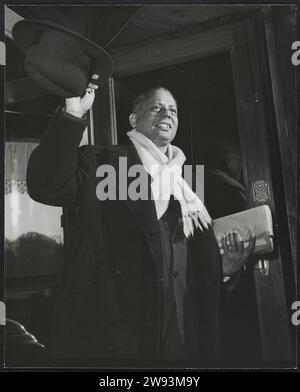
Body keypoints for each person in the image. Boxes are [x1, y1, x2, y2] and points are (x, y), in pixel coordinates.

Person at [26, 76, 255, 366]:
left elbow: (190, 266)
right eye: (156, 108)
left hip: (187, 342)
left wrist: (225, 272)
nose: (167, 114)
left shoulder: (188, 182)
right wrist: (73, 113)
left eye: (173, 110)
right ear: (134, 119)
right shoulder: (108, 164)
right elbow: (47, 185)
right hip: (123, 343)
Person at [204, 140, 261, 365]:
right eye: (238, 160)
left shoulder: (203, 185)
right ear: (229, 162)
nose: (241, 166)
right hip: (229, 280)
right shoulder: (226, 190)